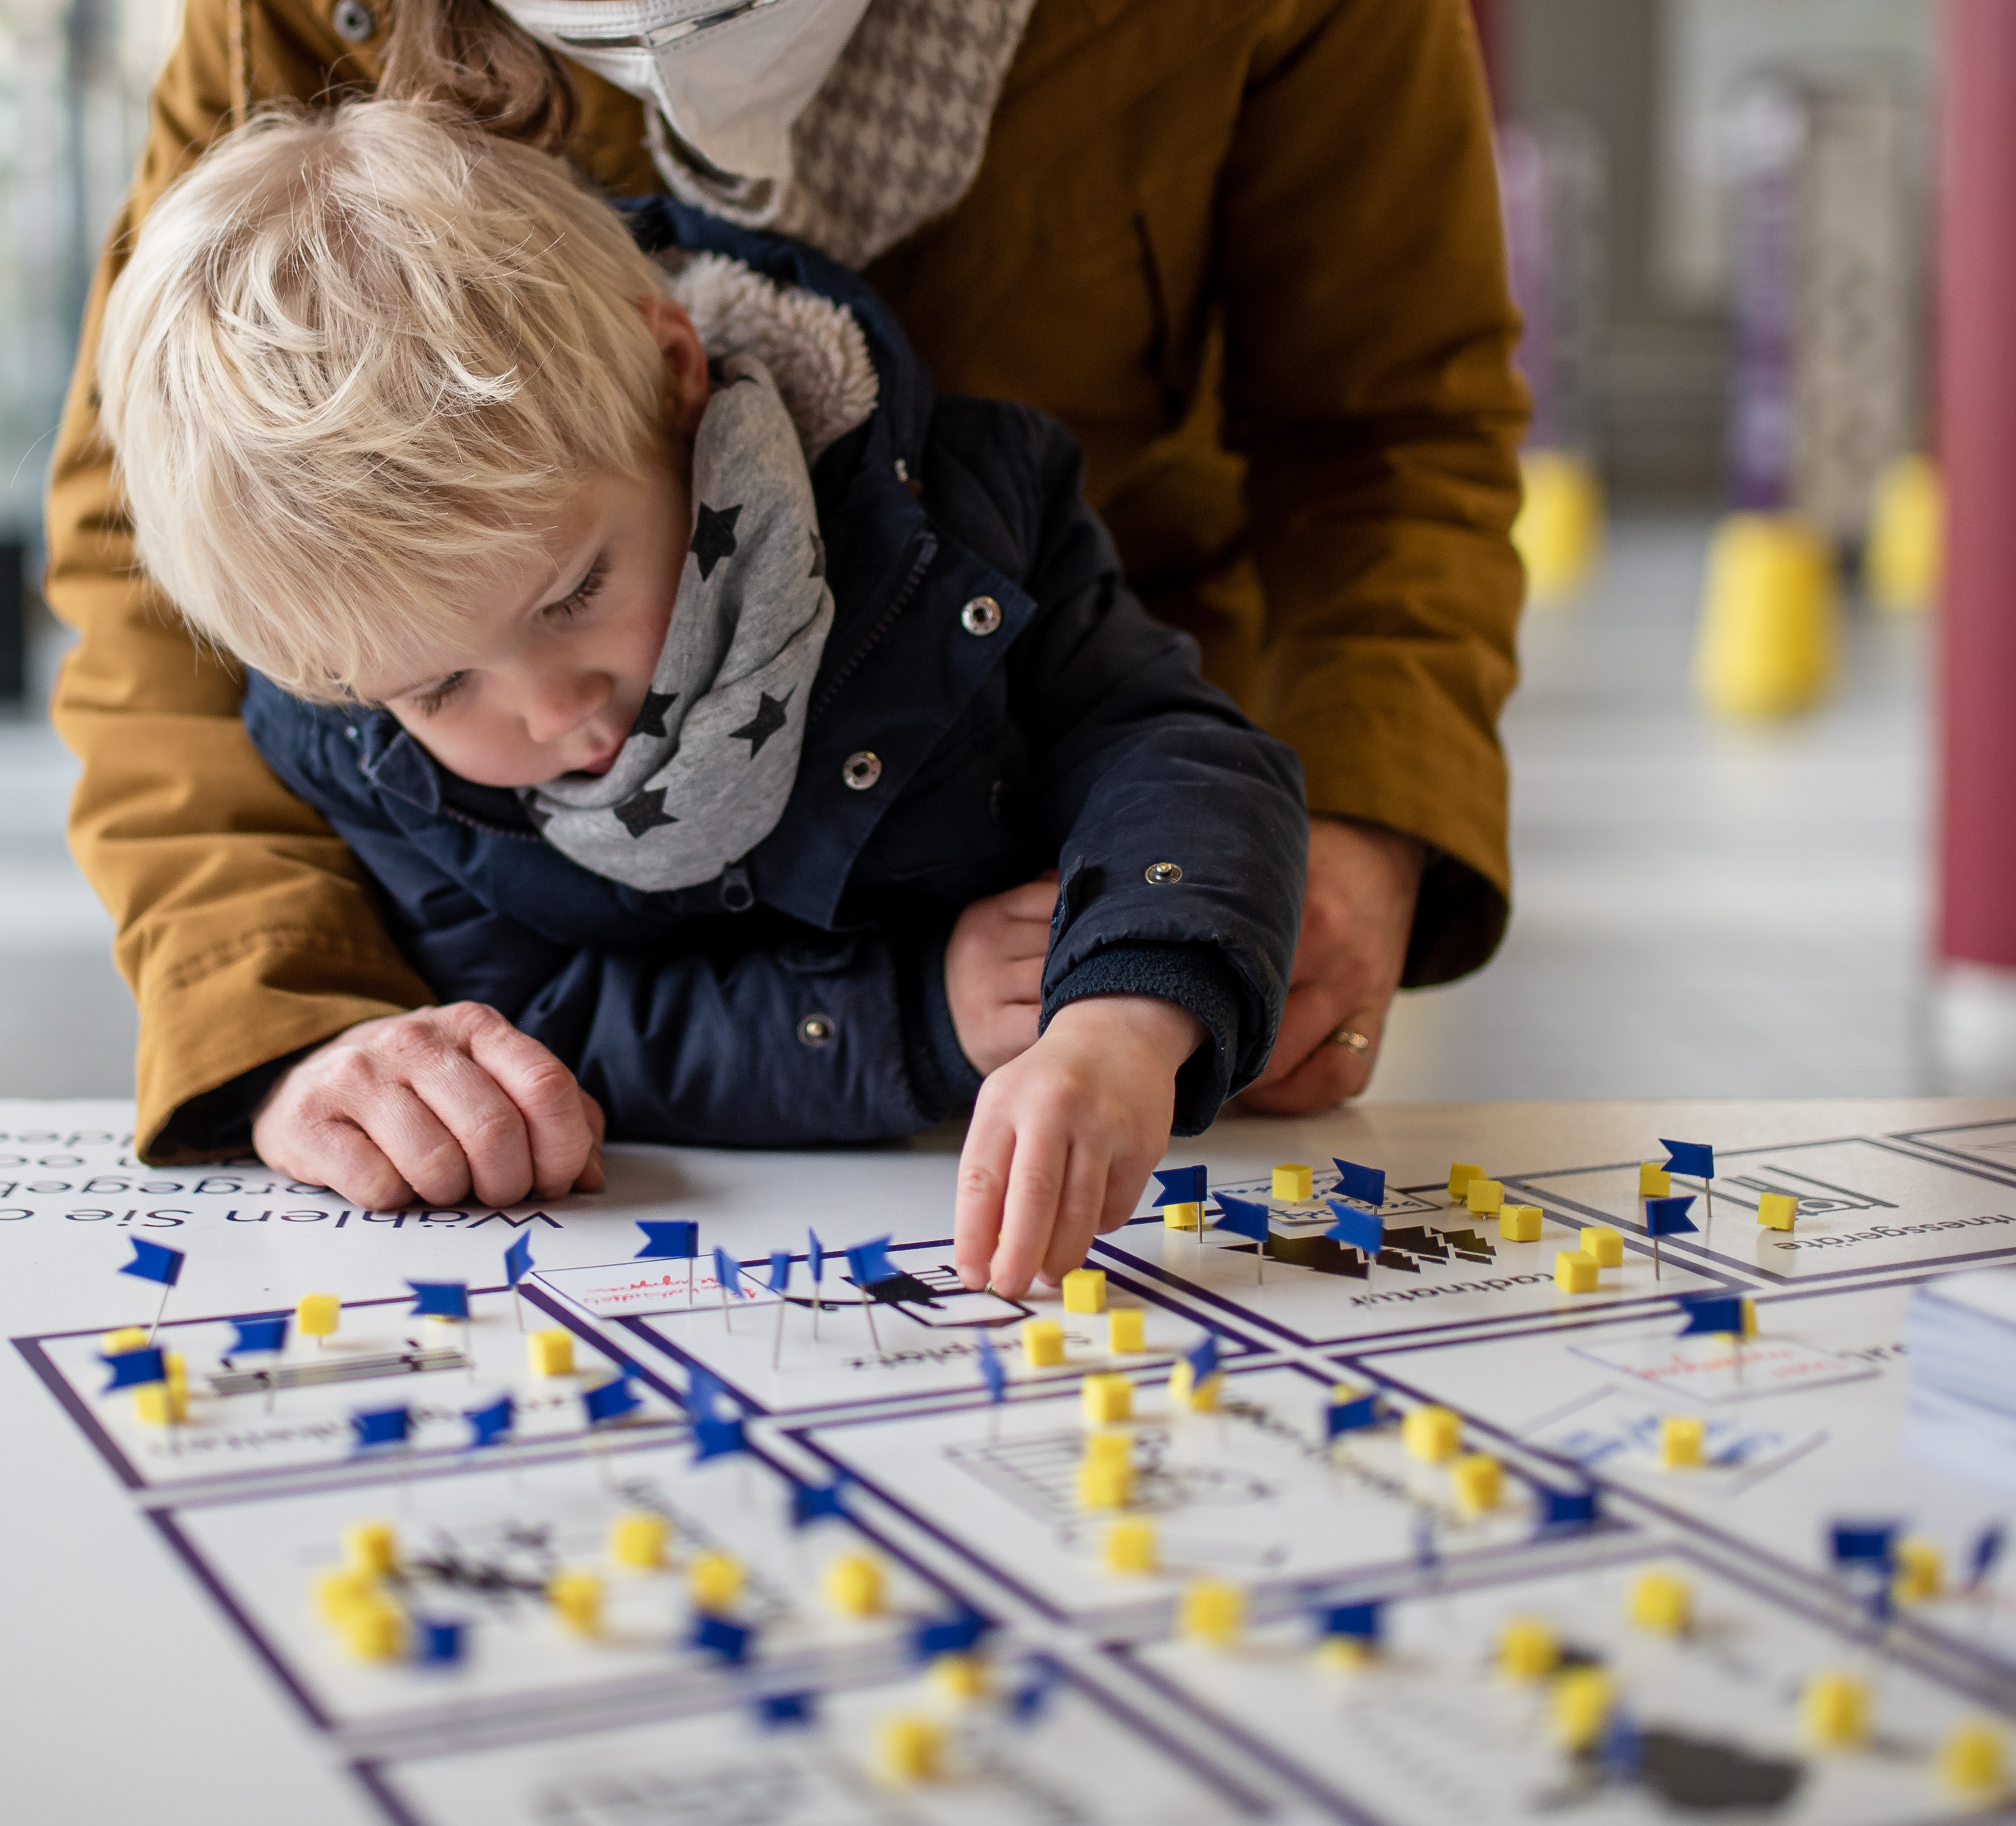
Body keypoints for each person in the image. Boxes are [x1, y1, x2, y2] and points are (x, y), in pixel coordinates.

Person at [47, 0, 1526, 1200]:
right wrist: (289, 1010)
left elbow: (1385, 424)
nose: (648, 14)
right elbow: (171, 507)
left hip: (1103, 862)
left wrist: (1352, 830)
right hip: (628, 1001)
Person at [97, 100, 1306, 1290]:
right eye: (443, 685)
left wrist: (1131, 1007)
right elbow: (534, 1013)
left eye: (574, 593)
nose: (560, 713)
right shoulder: (358, 750)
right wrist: (910, 1014)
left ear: (675, 374)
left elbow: (1170, 751)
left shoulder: (958, 518)